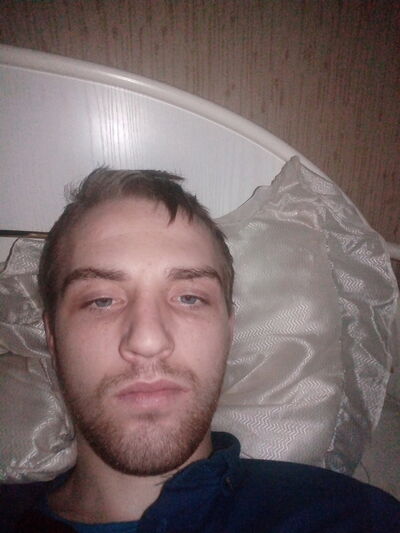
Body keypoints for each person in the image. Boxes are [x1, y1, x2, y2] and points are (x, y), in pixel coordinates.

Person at [1, 169, 399, 532]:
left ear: (229, 330)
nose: (148, 340)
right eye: (102, 300)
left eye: (189, 298)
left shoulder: (348, 517)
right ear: (52, 336)